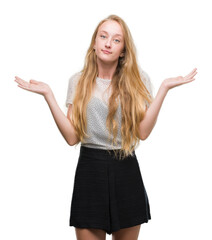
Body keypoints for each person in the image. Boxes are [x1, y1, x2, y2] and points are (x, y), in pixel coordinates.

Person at [14, 14, 197, 240]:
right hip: (89, 171)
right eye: (103, 36)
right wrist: (48, 95)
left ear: (123, 50)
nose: (108, 43)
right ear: (94, 43)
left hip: (126, 169)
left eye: (117, 40)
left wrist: (164, 89)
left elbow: (143, 132)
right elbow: (72, 138)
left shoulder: (138, 79)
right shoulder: (78, 81)